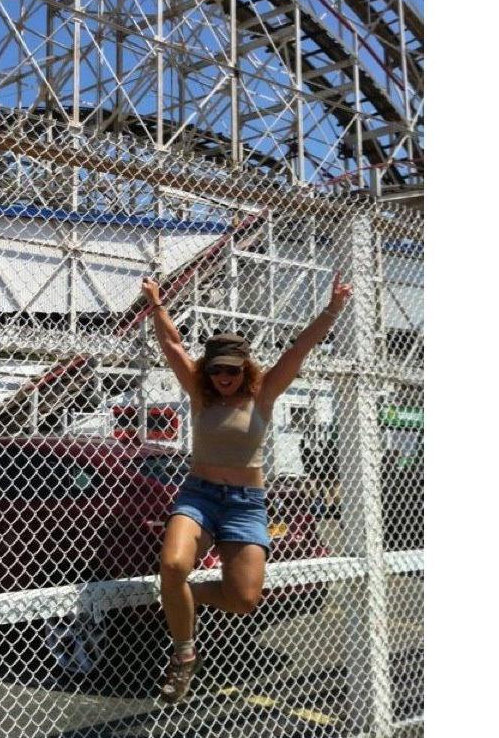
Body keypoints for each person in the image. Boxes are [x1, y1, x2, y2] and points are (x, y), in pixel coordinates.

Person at [141, 272, 353, 703]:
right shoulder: (200, 397)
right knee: (174, 564)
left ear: (245, 369)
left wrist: (332, 308)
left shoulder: (264, 394)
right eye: (216, 370)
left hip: (245, 506)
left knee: (243, 599)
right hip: (198, 495)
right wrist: (157, 304)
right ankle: (183, 657)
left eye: (232, 371)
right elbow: (174, 347)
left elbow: (298, 350)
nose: (223, 377)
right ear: (207, 370)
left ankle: (177, 597)